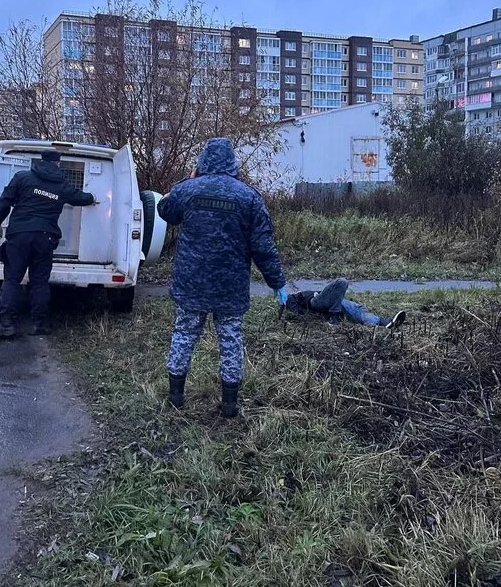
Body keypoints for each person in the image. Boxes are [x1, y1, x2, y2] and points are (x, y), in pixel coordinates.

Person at [158, 137, 287, 418]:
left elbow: (165, 210)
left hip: (191, 283)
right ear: (232, 162)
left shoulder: (186, 190)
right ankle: (229, 404)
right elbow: (263, 246)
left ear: (203, 160)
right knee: (230, 339)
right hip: (230, 286)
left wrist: (188, 179)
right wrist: (276, 282)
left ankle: (176, 397)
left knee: (183, 334)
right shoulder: (248, 196)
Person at [0, 150, 97, 338]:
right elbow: (81, 198)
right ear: (58, 164)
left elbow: (4, 201)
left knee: (12, 280)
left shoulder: (22, 177)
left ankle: (6, 325)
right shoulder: (62, 186)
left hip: (19, 236)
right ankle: (39, 325)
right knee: (39, 282)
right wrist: (94, 197)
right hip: (45, 238)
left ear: (41, 161)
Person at [284, 277, 406, 329]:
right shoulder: (294, 297)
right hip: (316, 302)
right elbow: (292, 306)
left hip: (329, 302)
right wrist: (310, 313)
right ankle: (333, 317)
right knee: (342, 282)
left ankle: (382, 322)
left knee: (356, 308)